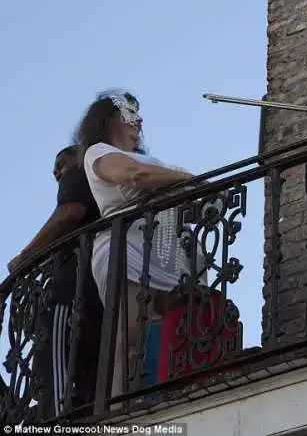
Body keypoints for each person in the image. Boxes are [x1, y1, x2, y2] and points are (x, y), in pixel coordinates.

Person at [74, 91, 206, 401]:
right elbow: (134, 174)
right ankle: (119, 415)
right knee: (130, 335)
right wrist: (187, 178)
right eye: (131, 111)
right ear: (110, 118)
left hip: (165, 251)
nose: (139, 119)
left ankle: (179, 396)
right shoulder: (99, 152)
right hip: (128, 248)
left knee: (181, 323)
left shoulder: (145, 157)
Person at [8, 145, 103, 418]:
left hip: (71, 291)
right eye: (55, 170)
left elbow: (68, 213)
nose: (57, 172)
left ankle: (60, 422)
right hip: (97, 290)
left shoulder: (79, 173)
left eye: (61, 163)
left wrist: (25, 256)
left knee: (59, 365)